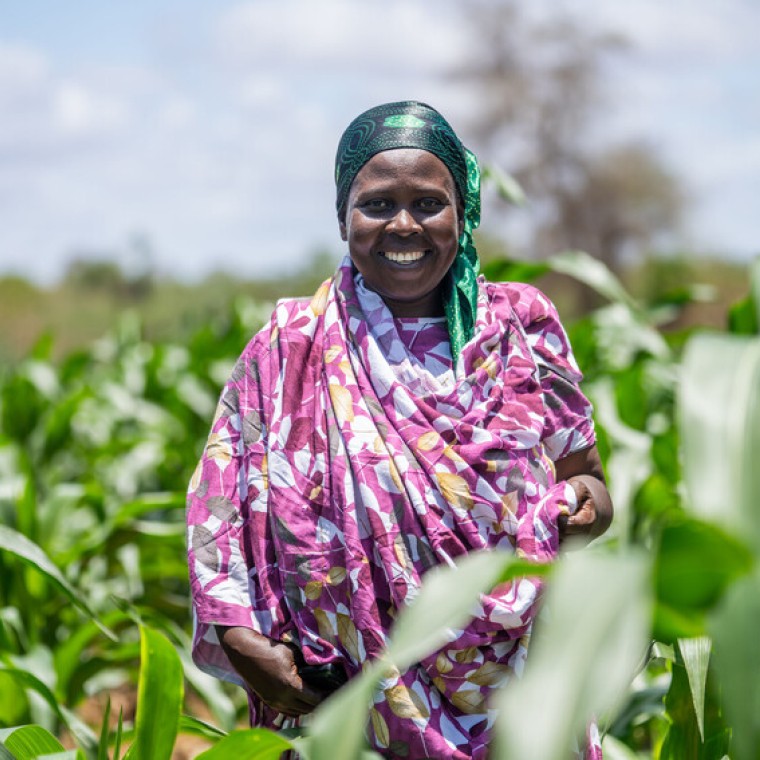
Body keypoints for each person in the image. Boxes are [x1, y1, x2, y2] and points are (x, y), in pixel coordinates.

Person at [186, 101, 613, 759]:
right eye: (378, 204)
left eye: (429, 204)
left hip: (517, 689)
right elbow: (218, 506)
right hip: (342, 697)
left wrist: (587, 502)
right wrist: (242, 639)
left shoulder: (523, 327)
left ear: (463, 213)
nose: (404, 224)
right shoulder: (289, 345)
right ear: (343, 216)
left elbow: (583, 472)